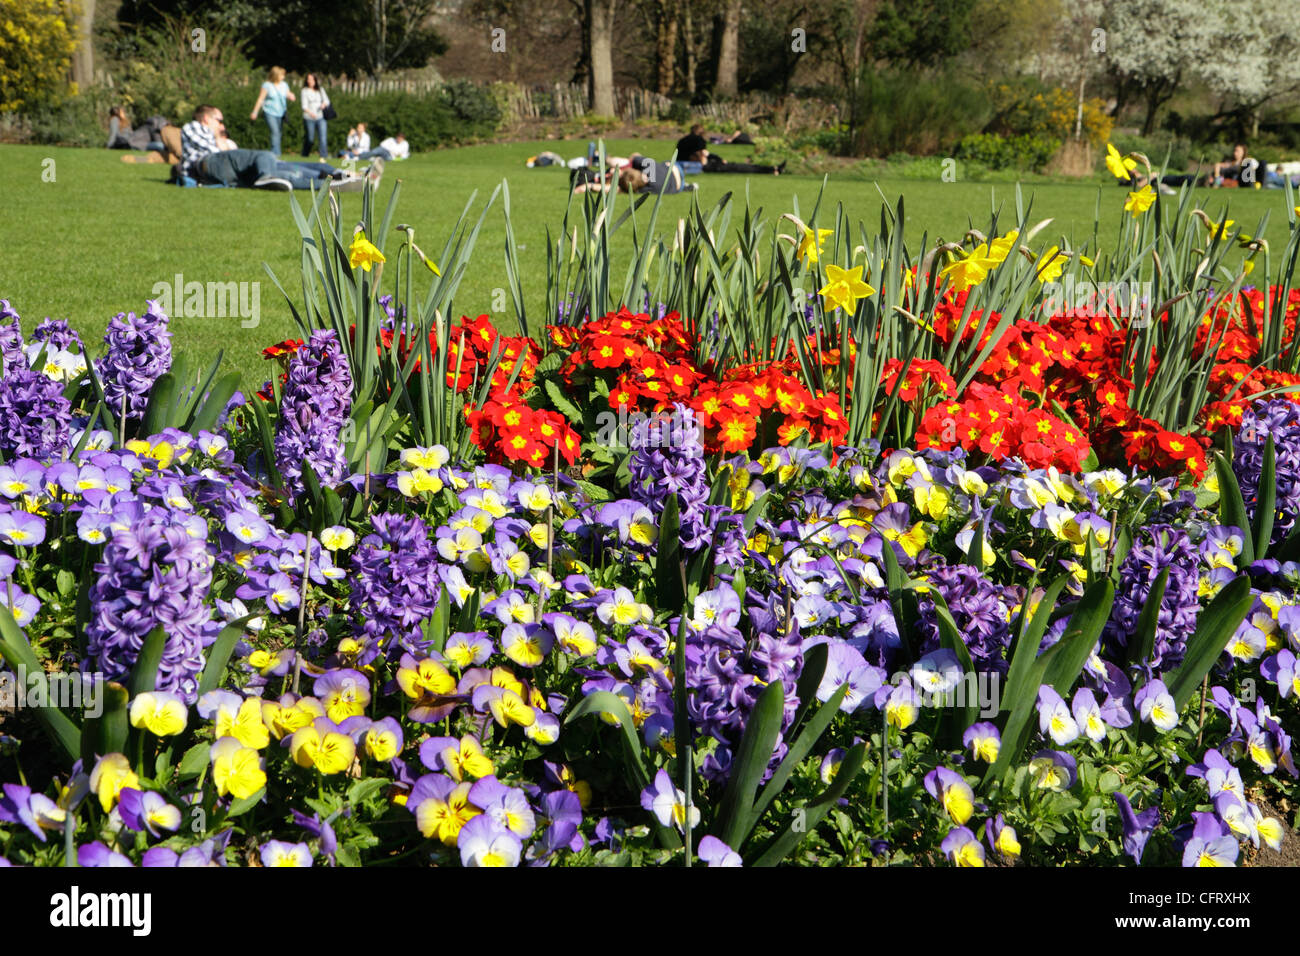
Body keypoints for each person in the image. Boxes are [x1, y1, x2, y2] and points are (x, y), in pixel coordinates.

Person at [179, 104, 369, 191]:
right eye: (219, 120)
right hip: (209, 165)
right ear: (206, 119)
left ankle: (342, 181)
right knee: (264, 156)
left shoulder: (213, 133)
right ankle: (266, 177)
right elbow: (217, 151)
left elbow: (226, 150)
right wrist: (218, 136)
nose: (222, 125)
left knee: (292, 174)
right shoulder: (193, 127)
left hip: (228, 169)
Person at [674, 124, 783, 176]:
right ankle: (773, 169)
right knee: (740, 167)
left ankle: (773, 169)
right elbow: (702, 157)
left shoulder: (682, 140)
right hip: (704, 166)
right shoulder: (699, 140)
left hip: (682, 164)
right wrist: (718, 161)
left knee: (738, 167)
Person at [250, 66, 295, 156]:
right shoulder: (267, 85)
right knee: (275, 132)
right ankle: (276, 154)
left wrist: (291, 96)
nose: (283, 77)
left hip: (281, 113)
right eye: (282, 75)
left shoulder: (284, 85)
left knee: (278, 133)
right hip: (269, 112)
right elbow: (260, 99)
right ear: (276, 75)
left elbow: (287, 93)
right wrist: (255, 112)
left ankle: (274, 152)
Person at [300, 73, 330, 159]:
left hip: (321, 117)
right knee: (310, 139)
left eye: (312, 79)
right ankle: (305, 154)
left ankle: (323, 156)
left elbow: (327, 101)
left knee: (323, 138)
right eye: (308, 79)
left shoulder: (320, 90)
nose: (310, 81)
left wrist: (323, 104)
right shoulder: (304, 91)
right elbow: (304, 106)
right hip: (309, 117)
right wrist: (310, 113)